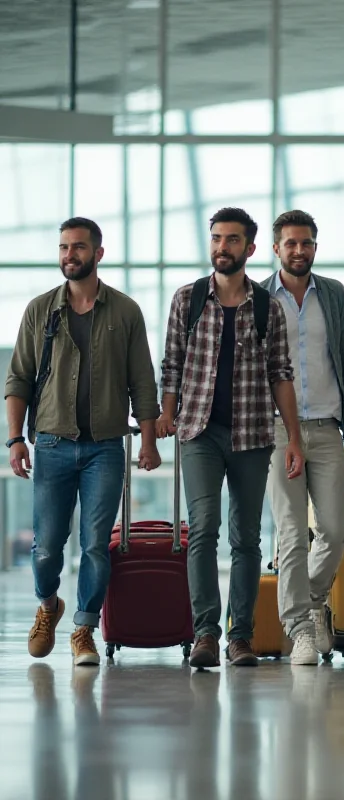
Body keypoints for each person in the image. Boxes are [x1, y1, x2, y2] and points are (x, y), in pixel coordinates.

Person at [5, 217, 161, 667]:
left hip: (105, 447)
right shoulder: (39, 310)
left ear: (98, 253)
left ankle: (83, 628)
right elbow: (18, 378)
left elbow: (142, 382)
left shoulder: (126, 312)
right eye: (63, 248)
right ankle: (48, 604)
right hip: (52, 444)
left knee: (95, 543)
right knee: (48, 545)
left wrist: (148, 440)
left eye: (77, 247)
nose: (69, 255)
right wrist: (15, 439)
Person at [158, 207, 304, 670]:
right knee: (203, 528)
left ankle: (239, 637)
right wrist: (166, 413)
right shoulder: (188, 299)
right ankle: (205, 633)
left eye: (233, 240)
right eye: (217, 238)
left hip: (253, 434)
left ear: (250, 248)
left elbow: (282, 375)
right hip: (198, 431)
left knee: (246, 538)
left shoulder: (267, 307)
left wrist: (295, 440)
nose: (223, 247)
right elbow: (172, 366)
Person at [262, 210, 344, 666]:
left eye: (306, 243)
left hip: (326, 425)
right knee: (291, 534)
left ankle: (311, 600)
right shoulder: (259, 296)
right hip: (277, 430)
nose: (298, 250)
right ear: (276, 249)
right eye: (290, 243)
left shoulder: (334, 293)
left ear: (315, 248)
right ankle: (300, 628)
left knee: (334, 532)